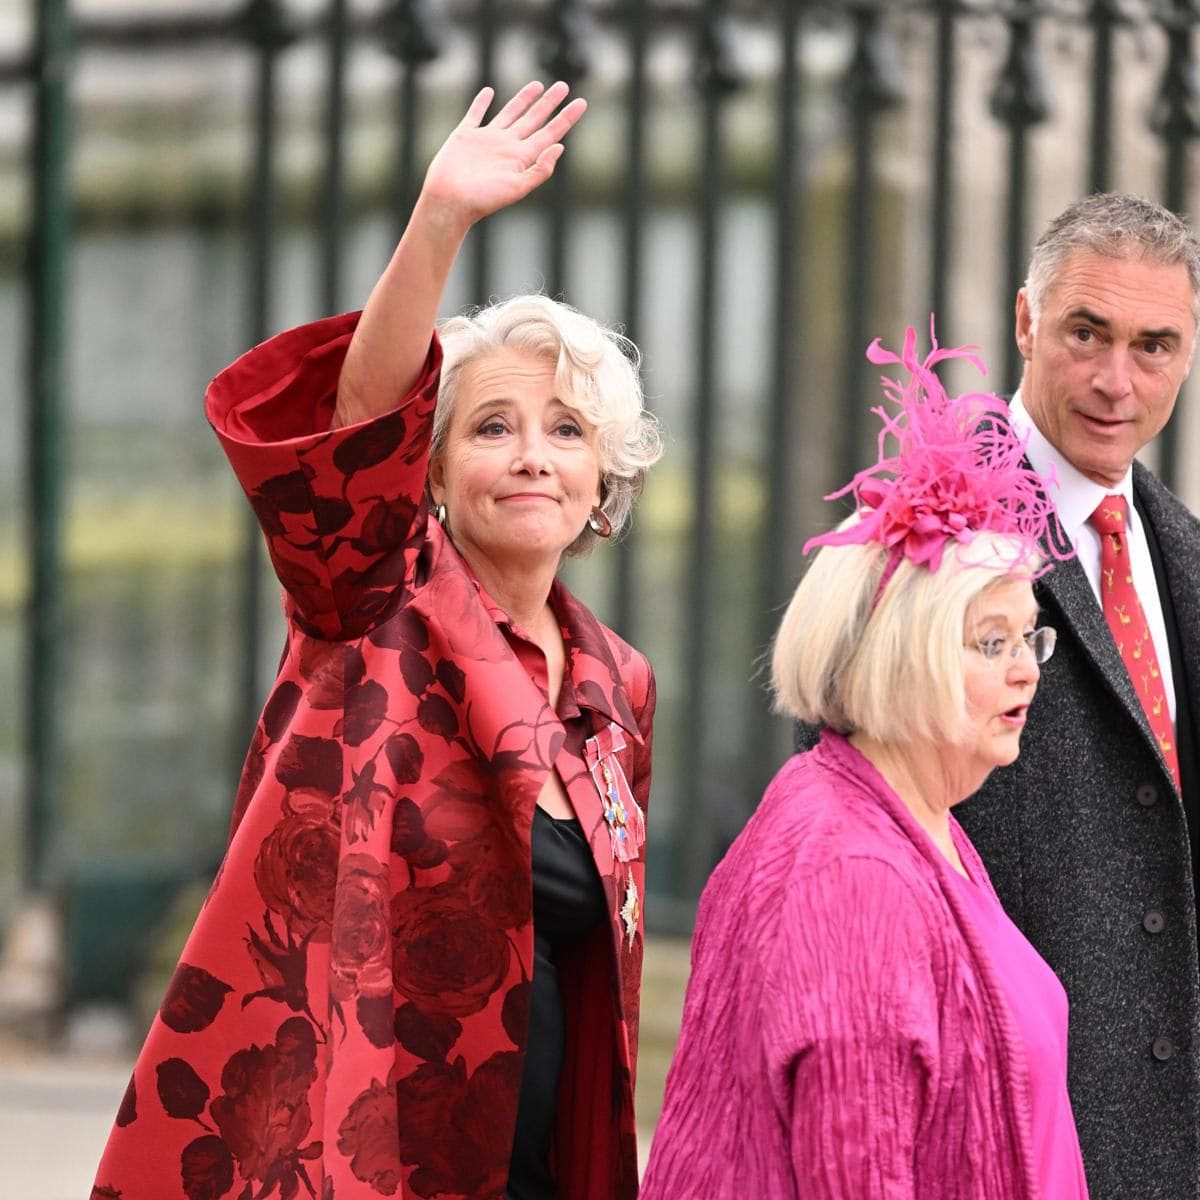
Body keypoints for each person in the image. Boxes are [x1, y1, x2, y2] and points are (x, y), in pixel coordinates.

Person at [92, 81, 661, 1200]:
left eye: (566, 431)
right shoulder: (378, 596)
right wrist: (439, 221)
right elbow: (355, 428)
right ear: (435, 472)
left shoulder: (617, 683)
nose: (532, 455)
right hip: (350, 1157)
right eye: (492, 427)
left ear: (606, 479)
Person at [641, 329, 1087, 1199]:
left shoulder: (914, 819)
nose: (1028, 666)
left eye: (1028, 634)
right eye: (989, 641)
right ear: (901, 654)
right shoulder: (854, 874)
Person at [943, 192, 1200, 1200]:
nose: (1114, 381)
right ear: (1024, 320)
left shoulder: (1181, 555)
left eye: (1154, 346)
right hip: (998, 1137)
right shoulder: (919, 529)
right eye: (1085, 333)